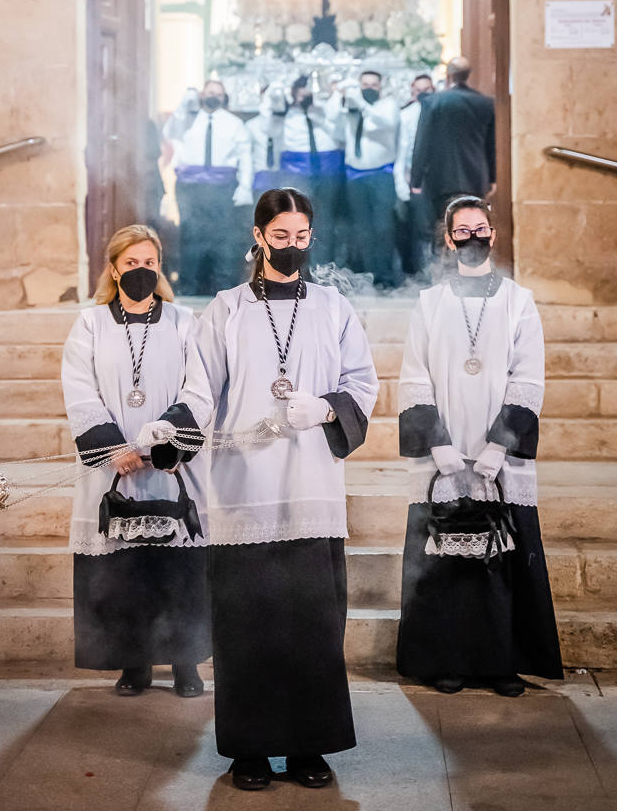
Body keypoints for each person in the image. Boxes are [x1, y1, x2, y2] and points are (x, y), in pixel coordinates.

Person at [194, 187, 379, 791]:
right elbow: (200, 390)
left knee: (310, 622)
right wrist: (174, 428)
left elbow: (363, 382)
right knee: (246, 623)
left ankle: (308, 747)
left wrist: (324, 408)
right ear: (257, 236)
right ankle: (249, 748)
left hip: (310, 488)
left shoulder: (332, 307)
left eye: (302, 238)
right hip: (242, 487)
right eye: (281, 238)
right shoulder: (225, 309)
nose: (293, 247)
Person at [396, 195, 562, 695]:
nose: (472, 237)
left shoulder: (519, 300)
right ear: (448, 238)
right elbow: (413, 379)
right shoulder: (429, 303)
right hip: (442, 455)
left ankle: (500, 663)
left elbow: (529, 378)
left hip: (499, 455)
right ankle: (446, 660)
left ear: (494, 234)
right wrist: (443, 451)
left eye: (481, 228)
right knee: (443, 560)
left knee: (500, 558)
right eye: (462, 230)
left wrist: (497, 449)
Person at [61, 224, 214, 697]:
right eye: (132, 263)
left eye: (149, 263)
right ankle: (135, 664)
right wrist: (114, 448)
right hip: (117, 467)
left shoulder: (184, 321)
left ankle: (186, 664)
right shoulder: (90, 323)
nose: (141, 271)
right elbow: (80, 390)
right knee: (125, 571)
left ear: (159, 266)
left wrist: (167, 442)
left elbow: (199, 387)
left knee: (177, 570)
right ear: (113, 268)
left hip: (172, 465)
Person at [163, 80, 253, 294]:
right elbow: (169, 132)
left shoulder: (234, 124)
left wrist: (245, 187)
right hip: (190, 188)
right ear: (202, 94)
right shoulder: (186, 119)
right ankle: (189, 286)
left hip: (222, 188)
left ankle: (223, 287)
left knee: (222, 238)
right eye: (210, 92)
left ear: (224, 97)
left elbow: (245, 157)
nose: (214, 96)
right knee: (191, 236)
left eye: (218, 93)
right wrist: (183, 107)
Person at [410, 56, 496, 231]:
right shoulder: (485, 104)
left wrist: (416, 179)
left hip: (440, 179)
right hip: (475, 178)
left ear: (448, 76)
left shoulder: (432, 102)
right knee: (470, 228)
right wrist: (492, 177)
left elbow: (422, 143)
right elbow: (490, 145)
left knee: (442, 228)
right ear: (468, 75)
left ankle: (443, 258)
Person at [335, 70, 400, 286]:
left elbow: (387, 125)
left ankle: (386, 277)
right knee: (361, 229)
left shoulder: (387, 105)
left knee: (383, 228)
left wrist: (363, 105)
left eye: (373, 84)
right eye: (365, 84)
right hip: (354, 176)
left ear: (380, 87)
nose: (369, 88)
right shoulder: (351, 107)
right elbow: (337, 133)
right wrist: (342, 100)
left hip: (381, 175)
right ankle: (368, 275)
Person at [278, 77, 345, 265]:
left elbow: (341, 135)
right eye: (300, 89)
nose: (304, 93)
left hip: (327, 172)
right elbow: (269, 128)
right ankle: (295, 270)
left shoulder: (326, 111)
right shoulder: (285, 114)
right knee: (294, 223)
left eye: (308, 89)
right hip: (296, 174)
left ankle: (323, 269)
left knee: (324, 222)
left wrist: (320, 117)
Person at [394, 73, 435, 276]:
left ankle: (436, 271)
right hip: (414, 179)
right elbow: (401, 151)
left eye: (427, 90)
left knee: (436, 228)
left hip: (437, 178)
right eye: (419, 91)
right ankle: (420, 273)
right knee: (419, 229)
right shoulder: (405, 115)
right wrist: (402, 181)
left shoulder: (439, 112)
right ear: (412, 93)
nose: (423, 94)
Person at [247, 83, 287, 196]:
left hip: (284, 176)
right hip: (259, 178)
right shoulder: (251, 126)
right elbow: (247, 157)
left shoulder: (287, 124)